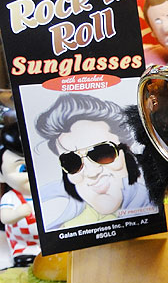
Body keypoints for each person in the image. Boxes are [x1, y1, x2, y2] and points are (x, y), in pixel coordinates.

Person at [36, 94, 154, 229]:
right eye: (72, 161)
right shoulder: (55, 217)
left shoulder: (151, 203)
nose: (92, 173)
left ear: (127, 151)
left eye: (103, 153)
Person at [0, 122, 39, 268]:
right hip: (23, 244)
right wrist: (17, 213)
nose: (33, 174)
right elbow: (5, 217)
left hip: (47, 243)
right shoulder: (11, 198)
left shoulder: (48, 194)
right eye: (24, 169)